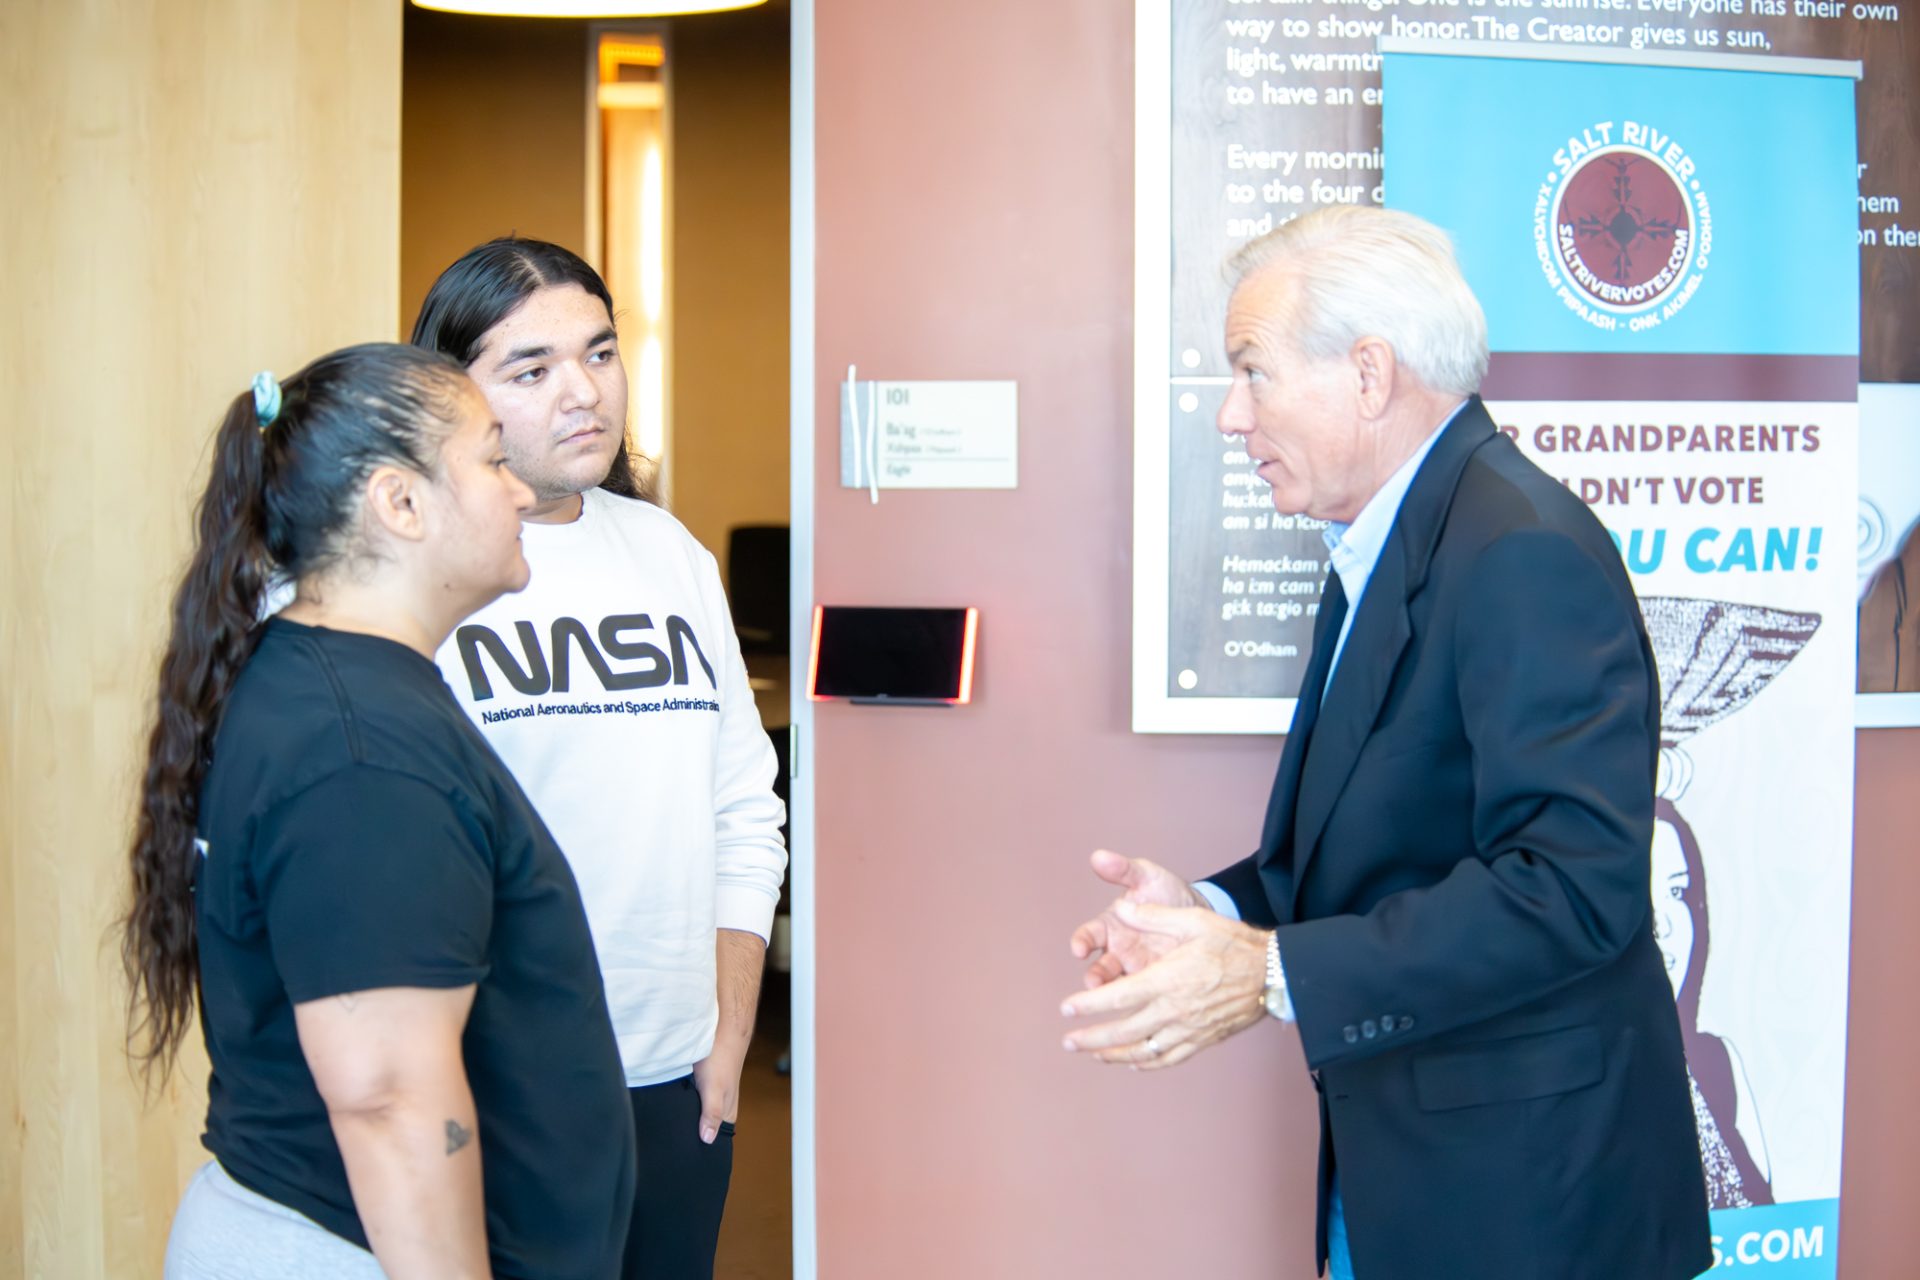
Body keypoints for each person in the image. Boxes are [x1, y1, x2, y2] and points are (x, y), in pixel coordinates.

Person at [1060, 206, 1711, 1280]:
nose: (1231, 414)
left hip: (1531, 1208)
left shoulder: (1520, 553)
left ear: (1369, 374)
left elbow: (1573, 889)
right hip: (1421, 1176)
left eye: (1253, 370)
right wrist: (1213, 916)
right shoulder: (1390, 539)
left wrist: (1267, 974)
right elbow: (1378, 848)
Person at [122, 344, 636, 1279]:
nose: (520, 492)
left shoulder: (323, 681)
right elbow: (389, 1099)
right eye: (490, 459)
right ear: (400, 505)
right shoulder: (361, 750)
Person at [411, 238, 788, 1279]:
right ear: (454, 393)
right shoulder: (416, 568)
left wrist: (727, 1033)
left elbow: (743, 806)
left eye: (601, 352)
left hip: (676, 1080)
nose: (583, 392)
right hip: (496, 1087)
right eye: (530, 370)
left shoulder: (669, 554)